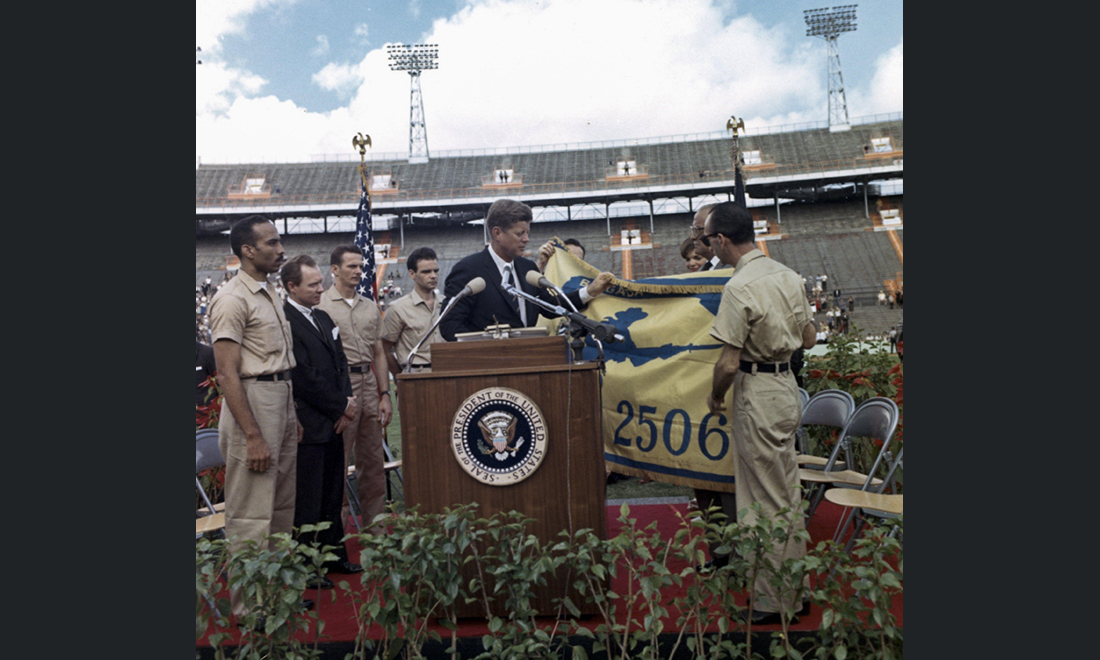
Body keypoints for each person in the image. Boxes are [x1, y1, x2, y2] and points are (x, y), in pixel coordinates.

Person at [702, 201, 816, 625]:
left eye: (710, 239)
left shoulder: (739, 286)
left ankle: (774, 600)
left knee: (765, 499)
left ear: (722, 240)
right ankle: (796, 590)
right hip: (786, 386)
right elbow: (808, 336)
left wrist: (715, 397)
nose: (710, 245)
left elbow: (728, 363)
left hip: (757, 389)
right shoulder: (786, 274)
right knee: (786, 493)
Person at [208, 216, 311, 619]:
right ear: (247, 250)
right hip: (253, 400)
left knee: (282, 509)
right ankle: (251, 610)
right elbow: (227, 372)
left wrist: (291, 415)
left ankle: (276, 598)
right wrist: (252, 434)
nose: (280, 249)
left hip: (280, 398)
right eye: (272, 243)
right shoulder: (233, 298)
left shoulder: (268, 292)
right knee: (251, 512)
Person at [281, 255, 364, 585]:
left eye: (319, 283)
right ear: (291, 287)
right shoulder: (285, 319)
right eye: (312, 285)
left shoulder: (323, 315)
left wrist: (347, 403)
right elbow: (303, 375)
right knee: (309, 497)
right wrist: (339, 407)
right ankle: (307, 564)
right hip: (311, 421)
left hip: (335, 419)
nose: (320, 289)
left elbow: (340, 363)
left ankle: (332, 555)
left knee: (333, 492)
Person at [440, 199, 612, 341]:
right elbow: (449, 325)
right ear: (497, 233)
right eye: (520, 233)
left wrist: (590, 291)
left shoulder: (527, 269)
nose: (526, 239)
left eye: (527, 232)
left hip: (526, 361)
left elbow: (550, 306)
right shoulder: (469, 269)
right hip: (487, 368)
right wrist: (487, 347)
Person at [316, 245, 393, 534]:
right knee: (338, 462)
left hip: (369, 384)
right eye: (351, 266)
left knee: (372, 461)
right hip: (340, 386)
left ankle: (376, 528)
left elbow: (379, 352)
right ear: (334, 269)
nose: (359, 271)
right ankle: (339, 530)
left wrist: (385, 394)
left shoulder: (370, 306)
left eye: (360, 266)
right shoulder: (321, 305)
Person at [382, 247, 443, 376]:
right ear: (412, 274)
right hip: (416, 375)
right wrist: (401, 376)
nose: (433, 276)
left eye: (436, 271)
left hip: (448, 372)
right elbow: (384, 349)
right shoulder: (398, 308)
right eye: (426, 272)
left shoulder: (448, 304)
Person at [689, 204, 723, 271]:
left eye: (698, 230)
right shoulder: (704, 269)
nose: (692, 237)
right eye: (693, 230)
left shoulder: (734, 269)